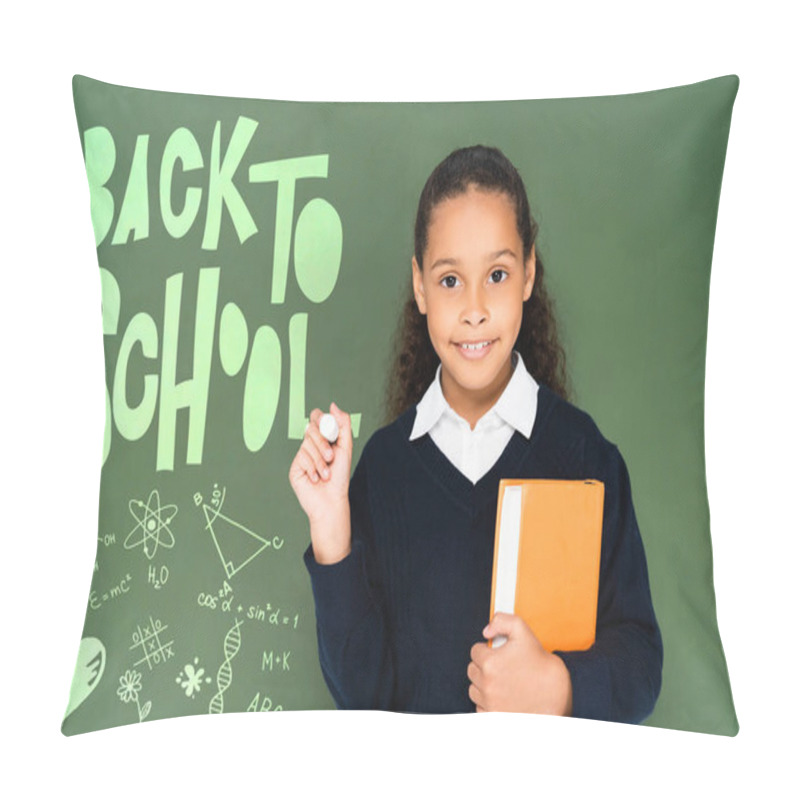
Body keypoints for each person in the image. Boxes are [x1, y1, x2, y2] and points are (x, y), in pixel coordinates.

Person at [288, 144, 663, 723]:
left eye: (496, 274)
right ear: (418, 286)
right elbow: (361, 698)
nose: (475, 309)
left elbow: (640, 662)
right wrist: (329, 523)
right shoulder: (382, 470)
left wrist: (559, 687)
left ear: (529, 274)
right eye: (449, 280)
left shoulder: (588, 458)